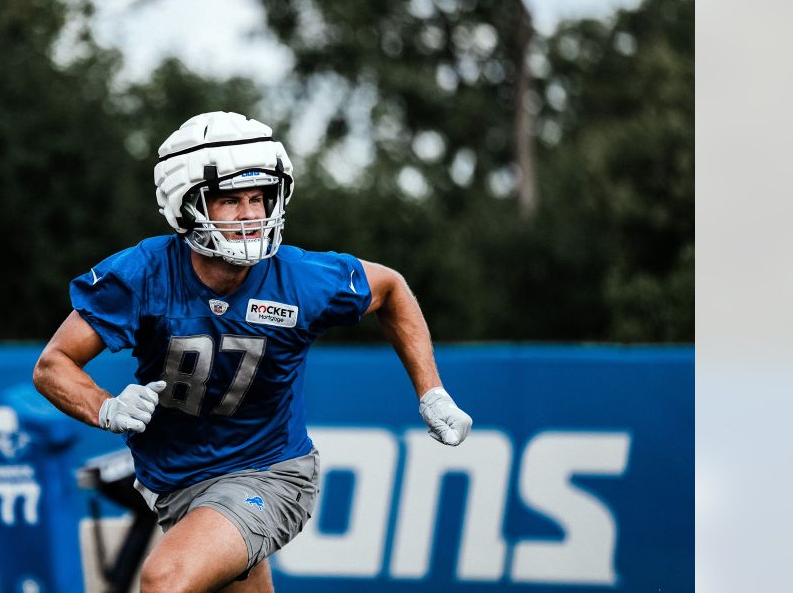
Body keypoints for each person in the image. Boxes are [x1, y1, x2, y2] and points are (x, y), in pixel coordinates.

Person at [33, 111, 472, 593]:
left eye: (259, 198)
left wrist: (433, 393)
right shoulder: (143, 274)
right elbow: (53, 364)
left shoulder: (299, 278)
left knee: (165, 578)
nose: (250, 215)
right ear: (186, 204)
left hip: (269, 471)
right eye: (230, 200)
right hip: (176, 483)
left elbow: (390, 288)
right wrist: (106, 408)